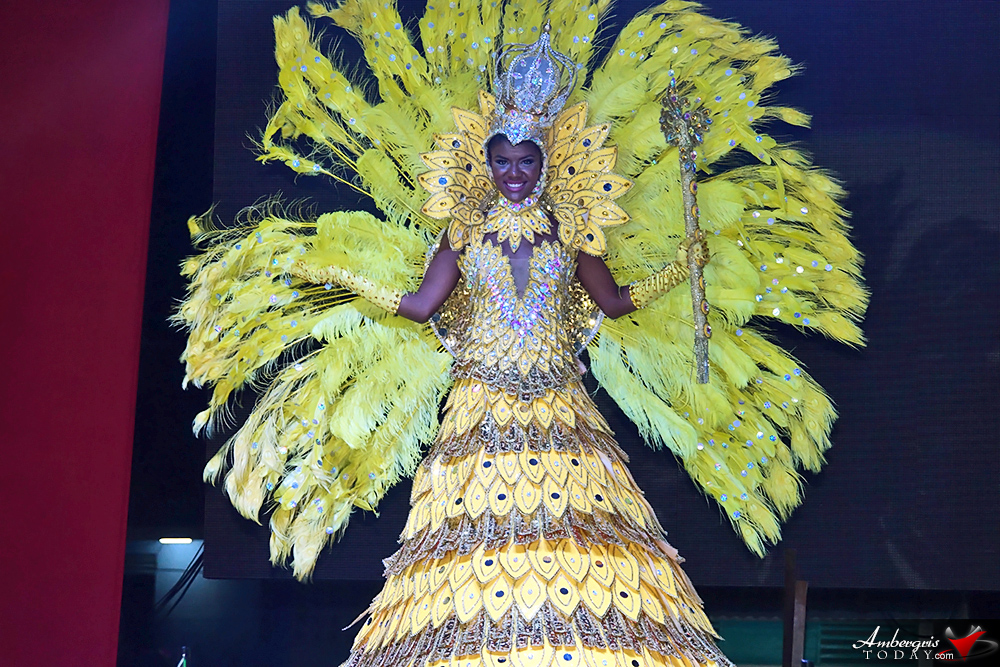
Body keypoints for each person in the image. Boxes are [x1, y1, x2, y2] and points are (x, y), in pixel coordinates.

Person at [177, 3, 866, 667]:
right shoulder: (463, 231)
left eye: (526, 162)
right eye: (502, 161)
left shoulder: (570, 230)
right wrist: (346, 280)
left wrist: (679, 271)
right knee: (467, 570)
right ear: (486, 162)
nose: (514, 174)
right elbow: (420, 306)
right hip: (480, 411)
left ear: (544, 162)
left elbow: (616, 303)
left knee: (585, 564)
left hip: (562, 409)